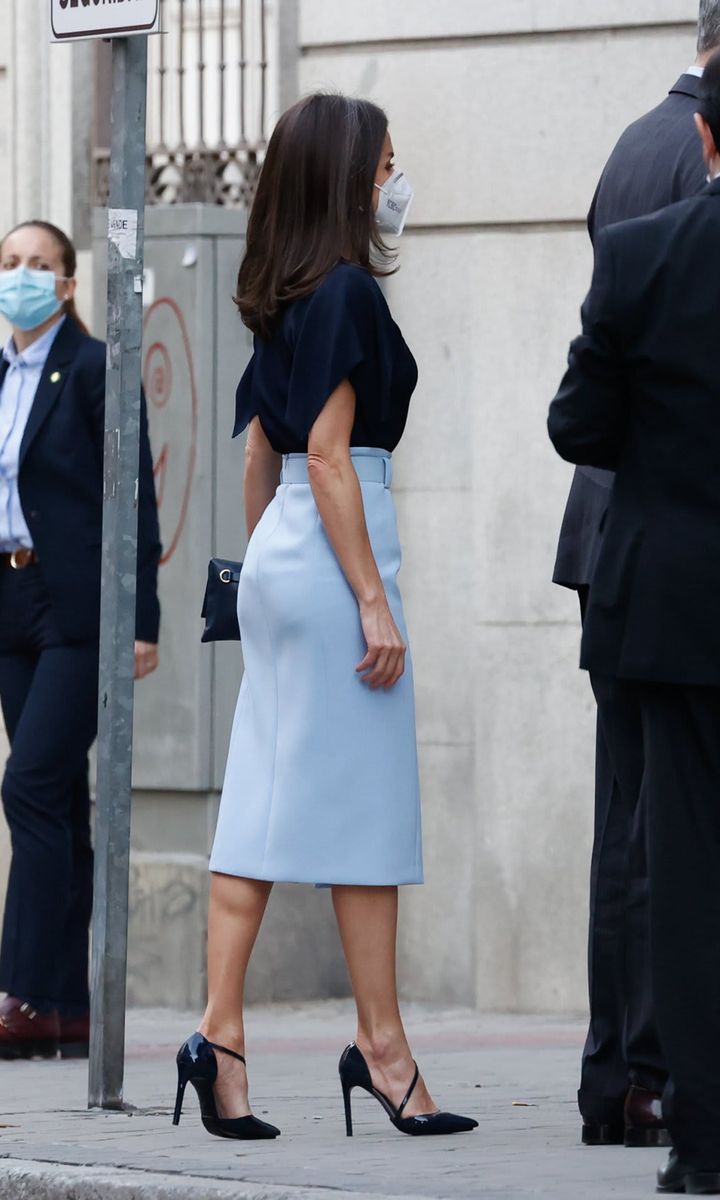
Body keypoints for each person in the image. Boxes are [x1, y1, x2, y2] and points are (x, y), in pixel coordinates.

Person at [172, 93, 477, 1142]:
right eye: (388, 161)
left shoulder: (290, 295)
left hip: (286, 555)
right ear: (352, 178)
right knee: (367, 812)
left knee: (258, 799)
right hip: (338, 552)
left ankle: (220, 1043)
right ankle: (383, 1051)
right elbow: (335, 455)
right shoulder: (347, 293)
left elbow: (263, 453)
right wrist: (370, 600)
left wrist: (271, 571)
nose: (398, 179)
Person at [548, 49, 720, 1196]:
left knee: (683, 864)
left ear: (707, 138)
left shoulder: (643, 246)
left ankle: (697, 1139)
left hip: (672, 599)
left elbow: (578, 426)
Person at [0, 221, 161, 1060]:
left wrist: (142, 620)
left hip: (76, 609)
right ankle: (65, 1008)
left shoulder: (95, 367)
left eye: (39, 265)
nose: (22, 276)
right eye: (11, 263)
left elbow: (133, 496)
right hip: (11, 601)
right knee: (57, 801)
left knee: (26, 786)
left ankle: (21, 993)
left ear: (68, 284)